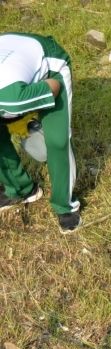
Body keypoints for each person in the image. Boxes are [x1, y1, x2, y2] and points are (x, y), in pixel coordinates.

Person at [0, 32, 81, 232]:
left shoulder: (13, 99)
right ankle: (20, 189)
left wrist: (27, 117)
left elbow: (53, 88)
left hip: (50, 67)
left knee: (57, 141)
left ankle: (66, 207)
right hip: (12, 54)